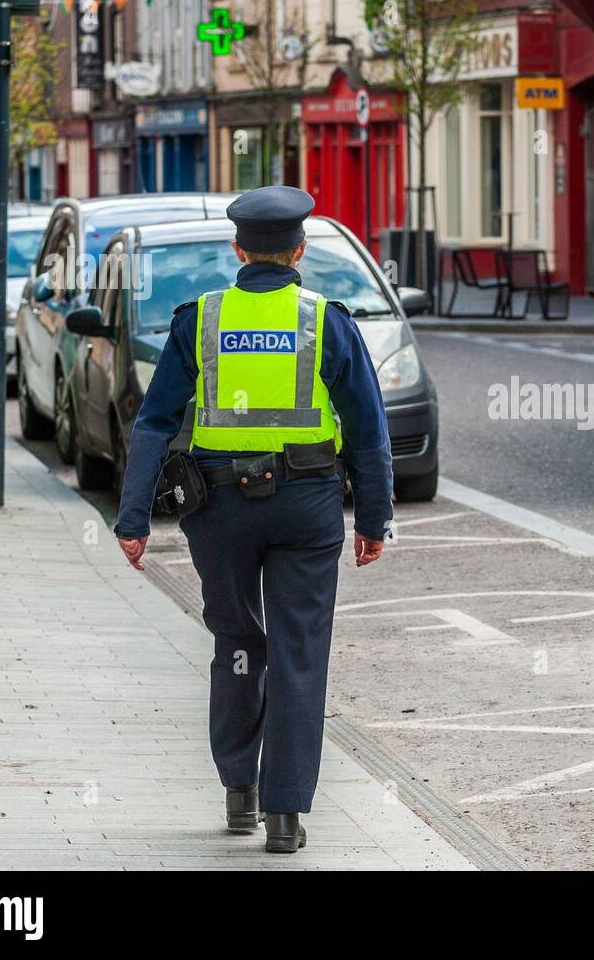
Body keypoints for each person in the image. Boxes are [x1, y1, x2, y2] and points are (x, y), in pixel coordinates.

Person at [112, 185, 392, 854]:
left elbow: (154, 423)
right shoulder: (327, 320)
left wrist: (133, 519)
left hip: (220, 508)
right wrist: (374, 520)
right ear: (300, 251)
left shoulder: (200, 320)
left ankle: (238, 790)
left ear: (237, 249)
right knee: (299, 653)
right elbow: (367, 429)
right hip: (308, 504)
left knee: (237, 643)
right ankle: (285, 816)